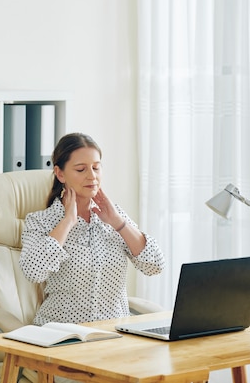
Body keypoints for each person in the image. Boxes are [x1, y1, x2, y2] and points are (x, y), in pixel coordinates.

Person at [20, 132, 165, 325]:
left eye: (96, 168)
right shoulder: (41, 221)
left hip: (114, 336)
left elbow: (155, 265)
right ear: (60, 173)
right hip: (62, 335)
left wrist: (118, 223)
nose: (92, 176)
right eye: (81, 170)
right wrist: (67, 222)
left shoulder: (114, 217)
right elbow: (33, 272)